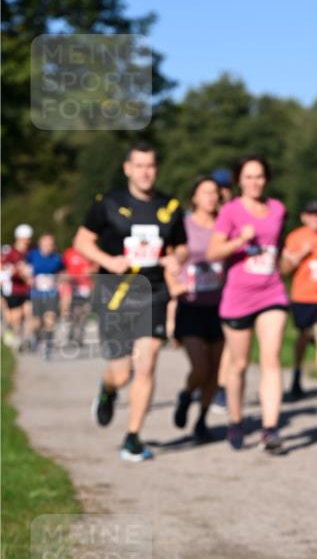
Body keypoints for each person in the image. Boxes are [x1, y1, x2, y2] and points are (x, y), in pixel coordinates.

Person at [74, 142, 188, 461]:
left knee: (147, 362)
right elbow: (81, 241)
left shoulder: (169, 206)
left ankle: (133, 437)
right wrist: (108, 261)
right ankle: (107, 389)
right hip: (116, 293)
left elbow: (181, 246)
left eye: (150, 165)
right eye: (139, 166)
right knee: (122, 373)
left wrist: (175, 259)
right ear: (127, 169)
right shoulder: (108, 203)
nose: (145, 172)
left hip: (153, 291)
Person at [207, 155, 288, 453]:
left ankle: (270, 429)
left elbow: (276, 249)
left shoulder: (278, 209)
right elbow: (213, 252)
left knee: (271, 358)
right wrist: (239, 240)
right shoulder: (230, 211)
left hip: (272, 292)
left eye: (259, 176)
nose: (254, 182)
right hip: (238, 296)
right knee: (239, 364)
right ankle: (236, 419)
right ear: (239, 180)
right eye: (249, 177)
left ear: (266, 179)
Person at [166, 176, 224, 443]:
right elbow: (169, 260)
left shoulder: (226, 225)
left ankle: (201, 420)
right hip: (190, 304)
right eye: (205, 193)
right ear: (195, 198)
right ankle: (187, 394)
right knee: (200, 367)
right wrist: (173, 285)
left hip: (219, 306)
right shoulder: (185, 226)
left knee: (214, 370)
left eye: (214, 193)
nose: (211, 197)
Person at [281, 199, 317, 400]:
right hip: (302, 296)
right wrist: (300, 254)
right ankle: (297, 374)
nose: (316, 218)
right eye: (311, 215)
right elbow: (284, 270)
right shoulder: (295, 237)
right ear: (304, 217)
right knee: (303, 337)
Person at [210, 167, 234, 413]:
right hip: (202, 290)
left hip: (230, 287)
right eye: (218, 189)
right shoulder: (197, 216)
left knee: (227, 340)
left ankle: (222, 388)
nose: (221, 194)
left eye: (226, 189)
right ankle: (208, 381)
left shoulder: (236, 215)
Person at [27, 233, 64, 359]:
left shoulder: (57, 258)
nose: (48, 247)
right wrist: (28, 278)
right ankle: (36, 337)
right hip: (36, 293)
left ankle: (48, 346)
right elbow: (24, 268)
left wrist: (59, 280)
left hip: (51, 293)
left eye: (50, 244)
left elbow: (63, 272)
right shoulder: (32, 255)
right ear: (40, 244)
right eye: (45, 244)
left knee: (50, 318)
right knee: (37, 321)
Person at [1, 224, 34, 349]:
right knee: (16, 316)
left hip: (26, 289)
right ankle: (16, 336)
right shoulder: (9, 252)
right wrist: (17, 271)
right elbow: (4, 268)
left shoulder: (30, 253)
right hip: (13, 289)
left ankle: (28, 338)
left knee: (28, 312)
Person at [61, 244, 96, 347]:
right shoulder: (68, 253)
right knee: (73, 312)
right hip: (72, 286)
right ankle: (70, 334)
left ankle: (79, 336)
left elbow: (97, 265)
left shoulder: (90, 251)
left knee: (84, 312)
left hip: (86, 286)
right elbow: (62, 268)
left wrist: (92, 270)